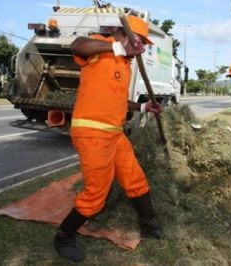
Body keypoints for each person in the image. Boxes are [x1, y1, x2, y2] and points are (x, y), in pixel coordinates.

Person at [53, 15, 164, 262]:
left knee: (136, 180)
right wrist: (116, 46)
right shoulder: (98, 47)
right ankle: (63, 236)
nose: (142, 48)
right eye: (140, 41)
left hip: (114, 133)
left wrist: (144, 108)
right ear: (122, 34)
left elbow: (117, 102)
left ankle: (149, 227)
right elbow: (77, 46)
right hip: (92, 133)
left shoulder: (124, 65)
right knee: (96, 194)